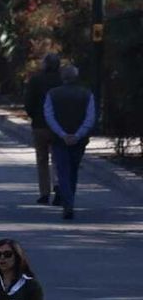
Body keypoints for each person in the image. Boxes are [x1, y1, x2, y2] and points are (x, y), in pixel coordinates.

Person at [44, 62, 97, 220]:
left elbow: (49, 116)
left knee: (63, 171)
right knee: (73, 170)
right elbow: (90, 117)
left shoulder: (52, 94)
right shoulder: (87, 94)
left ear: (62, 77)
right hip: (79, 141)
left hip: (59, 140)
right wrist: (78, 135)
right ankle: (69, 200)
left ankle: (68, 202)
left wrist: (62, 134)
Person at [24, 53, 62, 205]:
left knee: (42, 160)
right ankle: (59, 187)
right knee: (58, 159)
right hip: (59, 127)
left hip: (40, 125)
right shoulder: (61, 81)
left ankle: (44, 193)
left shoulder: (36, 80)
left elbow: (29, 102)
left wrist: (33, 115)